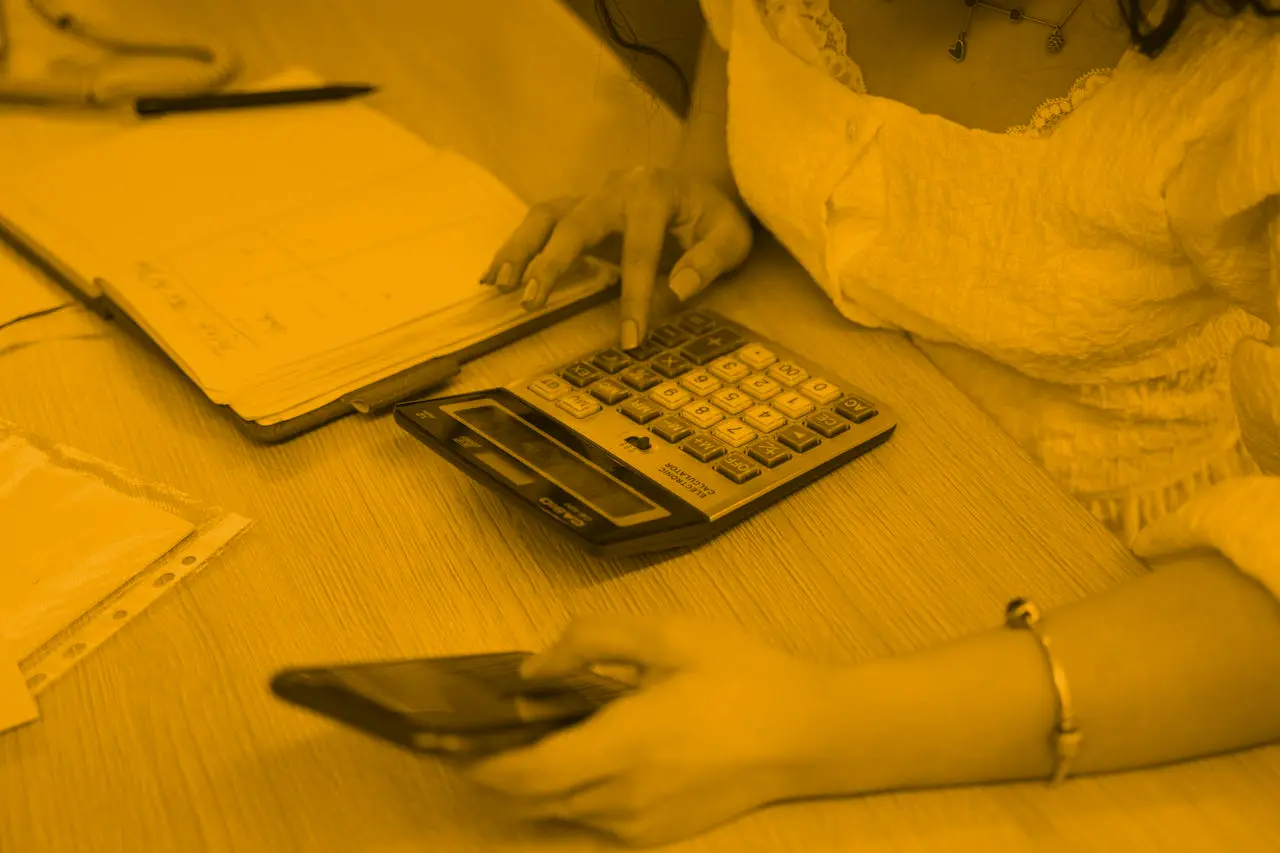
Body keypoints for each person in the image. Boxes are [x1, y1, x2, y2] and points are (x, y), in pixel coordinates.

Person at [470, 0, 1280, 846]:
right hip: (844, 500)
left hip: (1121, 611)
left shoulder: (1249, 79)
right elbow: (739, 47)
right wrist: (703, 182)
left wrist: (803, 731)